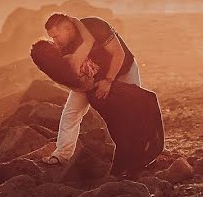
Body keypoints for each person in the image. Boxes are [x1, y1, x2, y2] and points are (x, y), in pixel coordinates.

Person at [40, 13, 142, 165]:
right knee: (71, 112)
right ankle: (61, 155)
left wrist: (108, 81)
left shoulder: (96, 26)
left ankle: (141, 151)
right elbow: (72, 75)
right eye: (52, 38)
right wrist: (90, 84)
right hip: (94, 78)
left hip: (124, 70)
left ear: (68, 28)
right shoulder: (63, 48)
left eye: (56, 36)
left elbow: (118, 54)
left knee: (134, 110)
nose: (54, 41)